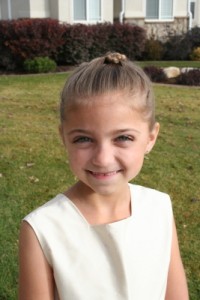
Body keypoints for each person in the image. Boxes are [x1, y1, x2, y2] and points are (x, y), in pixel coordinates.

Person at [18, 52, 189, 300]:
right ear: (64, 137)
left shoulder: (159, 207)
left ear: (151, 138)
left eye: (123, 138)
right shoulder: (43, 229)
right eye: (84, 139)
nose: (103, 158)